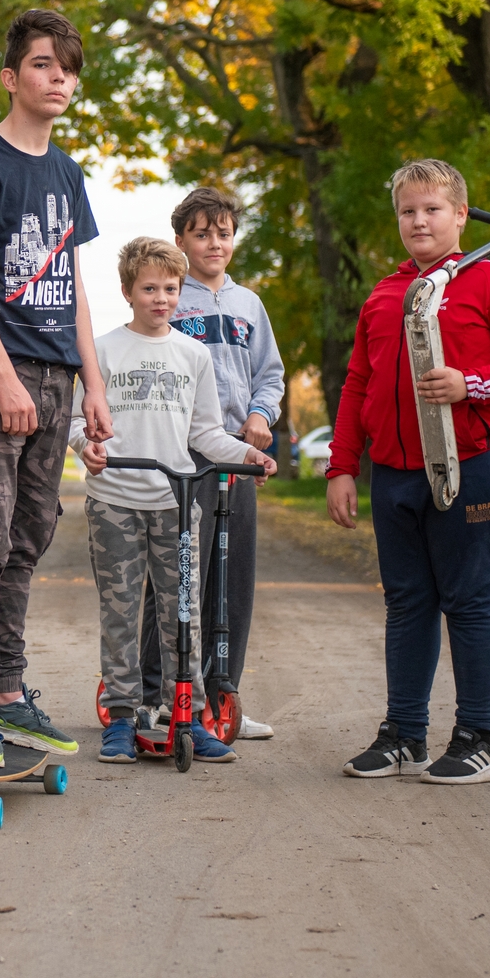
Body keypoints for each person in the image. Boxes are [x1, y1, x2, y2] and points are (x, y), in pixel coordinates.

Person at [0, 8, 114, 767]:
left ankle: (10, 692)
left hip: (54, 378)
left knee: (30, 534)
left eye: (68, 69)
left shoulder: (67, 173)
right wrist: (4, 378)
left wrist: (93, 384)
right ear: (11, 77)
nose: (58, 78)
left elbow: (73, 284)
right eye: (43, 64)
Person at [326, 159, 490, 783]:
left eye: (432, 209)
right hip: (394, 473)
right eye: (408, 211)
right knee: (406, 602)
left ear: (461, 215)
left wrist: (469, 383)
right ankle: (405, 734)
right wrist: (341, 466)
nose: (419, 220)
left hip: (471, 463)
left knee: (469, 600)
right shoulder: (384, 293)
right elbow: (358, 381)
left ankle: (480, 738)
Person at [73, 238, 278, 763]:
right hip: (115, 500)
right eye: (149, 289)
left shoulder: (193, 355)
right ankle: (123, 717)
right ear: (127, 291)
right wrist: (86, 447)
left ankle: (185, 713)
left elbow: (205, 432)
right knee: (120, 614)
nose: (160, 298)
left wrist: (246, 455)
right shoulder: (102, 351)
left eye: (169, 288)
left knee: (182, 613)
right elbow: (77, 422)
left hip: (176, 505)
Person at [134, 186, 285, 739]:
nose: (214, 243)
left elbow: (270, 374)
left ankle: (222, 696)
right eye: (202, 234)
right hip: (184, 453)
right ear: (181, 240)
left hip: (238, 453)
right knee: (179, 574)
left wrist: (261, 414)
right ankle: (155, 693)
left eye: (223, 233)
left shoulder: (249, 305)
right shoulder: (172, 300)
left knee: (232, 575)